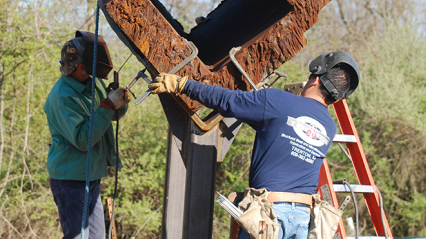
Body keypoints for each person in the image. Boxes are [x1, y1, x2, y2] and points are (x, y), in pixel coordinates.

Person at [149, 51, 360, 239]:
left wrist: (183, 85)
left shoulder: (278, 100)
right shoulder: (328, 127)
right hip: (303, 220)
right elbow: (273, 126)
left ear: (315, 80)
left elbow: (228, 101)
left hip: (270, 216)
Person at [44, 31, 130, 239]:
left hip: (91, 177)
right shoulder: (61, 98)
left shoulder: (92, 83)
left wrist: (118, 103)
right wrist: (107, 106)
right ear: (81, 67)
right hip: (70, 181)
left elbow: (107, 117)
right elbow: (84, 139)